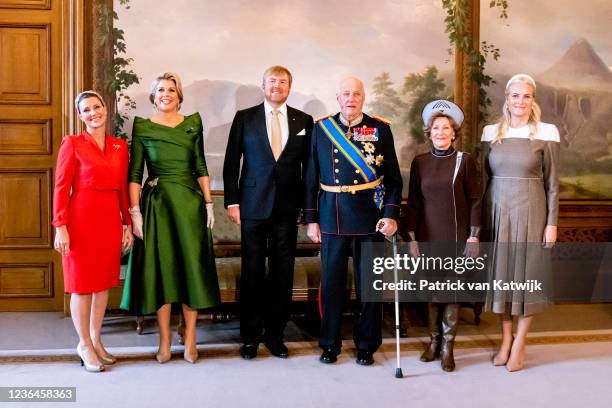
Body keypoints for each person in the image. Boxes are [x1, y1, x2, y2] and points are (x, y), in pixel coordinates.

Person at [120, 72, 220, 364]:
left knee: (191, 271)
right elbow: (135, 174)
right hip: (157, 207)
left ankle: (189, 338)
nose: (166, 94)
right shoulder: (143, 127)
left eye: (172, 90)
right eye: (161, 89)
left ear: (179, 96)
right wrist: (135, 212)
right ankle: (164, 341)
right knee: (162, 274)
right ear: (153, 95)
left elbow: (200, 165)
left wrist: (209, 203)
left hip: (190, 206)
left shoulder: (192, 124)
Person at [304, 77, 403, 366]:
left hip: (369, 216)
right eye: (346, 93)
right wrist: (311, 220)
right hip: (332, 216)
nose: (351, 98)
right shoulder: (322, 129)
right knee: (332, 285)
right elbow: (310, 177)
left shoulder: (381, 129)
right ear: (337, 97)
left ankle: (367, 344)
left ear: (363, 97)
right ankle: (330, 343)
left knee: (369, 286)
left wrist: (390, 213)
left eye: (356, 94)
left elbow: (394, 179)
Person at [223, 65, 313, 360]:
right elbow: (230, 163)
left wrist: (306, 207)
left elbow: (308, 169)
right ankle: (250, 337)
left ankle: (275, 336)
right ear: (263, 86)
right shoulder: (245, 117)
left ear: (289, 87)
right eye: (272, 81)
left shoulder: (304, 120)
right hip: (252, 205)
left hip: (288, 208)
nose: (277, 86)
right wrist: (232, 202)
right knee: (251, 272)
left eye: (283, 82)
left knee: (282, 273)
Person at [481, 74, 560, 372]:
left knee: (526, 277)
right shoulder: (491, 132)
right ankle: (505, 339)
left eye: (526, 96)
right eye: (515, 96)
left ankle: (521, 342)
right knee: (502, 277)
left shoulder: (546, 132)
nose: (520, 101)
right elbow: (483, 179)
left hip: (532, 210)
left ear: (533, 99)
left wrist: (551, 222)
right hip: (498, 210)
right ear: (507, 98)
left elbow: (553, 184)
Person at [52, 90, 133, 372]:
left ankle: (97, 340)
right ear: (80, 116)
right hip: (81, 220)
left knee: (102, 286)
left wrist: (127, 224)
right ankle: (84, 343)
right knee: (83, 285)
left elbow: (122, 188)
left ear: (105, 109)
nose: (93, 113)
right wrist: (60, 226)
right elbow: (61, 187)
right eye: (86, 110)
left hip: (110, 219)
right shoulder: (71, 143)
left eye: (96, 107)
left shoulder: (120, 147)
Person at [406, 100, 481, 372]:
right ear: (429, 132)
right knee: (431, 292)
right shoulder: (420, 163)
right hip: (427, 237)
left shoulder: (465, 161)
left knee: (450, 292)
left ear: (453, 133)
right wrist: (412, 237)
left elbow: (475, 200)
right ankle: (434, 342)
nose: (440, 132)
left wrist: (473, 236)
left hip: (457, 237)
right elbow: (413, 202)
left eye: (445, 128)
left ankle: (449, 347)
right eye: (435, 127)